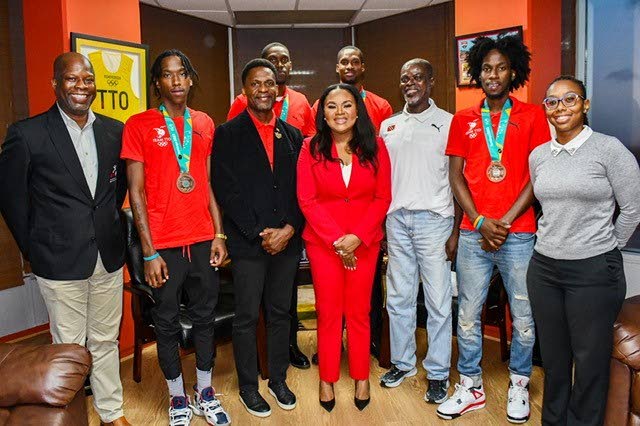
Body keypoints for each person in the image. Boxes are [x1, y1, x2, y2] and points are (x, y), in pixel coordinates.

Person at [0, 52, 130, 426]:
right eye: (71, 79)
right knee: (69, 349)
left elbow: (114, 191)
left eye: (87, 79)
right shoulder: (27, 134)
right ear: (55, 84)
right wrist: (34, 246)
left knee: (105, 340)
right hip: (57, 260)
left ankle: (111, 412)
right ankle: (74, 417)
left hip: (106, 255)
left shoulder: (113, 129)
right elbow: (10, 198)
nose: (81, 87)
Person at [437, 35, 550, 423]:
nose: (494, 74)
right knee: (467, 313)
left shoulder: (534, 116)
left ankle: (519, 380)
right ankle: (470, 384)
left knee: (523, 312)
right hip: (473, 232)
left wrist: (504, 221)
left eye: (501, 67)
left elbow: (537, 177)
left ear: (513, 70)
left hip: (519, 233)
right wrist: (482, 221)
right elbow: (455, 177)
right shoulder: (463, 119)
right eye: (486, 68)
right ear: (477, 73)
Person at [121, 50, 230, 426]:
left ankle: (205, 390)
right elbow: (136, 193)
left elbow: (206, 182)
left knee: (204, 318)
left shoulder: (204, 122)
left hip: (202, 239)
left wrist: (218, 233)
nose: (177, 81)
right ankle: (177, 397)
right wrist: (148, 252)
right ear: (158, 84)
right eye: (168, 75)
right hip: (163, 245)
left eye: (182, 73)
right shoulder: (138, 124)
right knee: (166, 322)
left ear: (190, 78)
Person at [527, 76, 640, 425]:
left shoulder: (609, 149)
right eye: (552, 101)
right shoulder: (539, 155)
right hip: (544, 269)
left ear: (585, 105)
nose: (560, 108)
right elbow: (544, 208)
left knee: (590, 364)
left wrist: (603, 248)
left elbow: (632, 209)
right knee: (555, 361)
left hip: (593, 272)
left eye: (570, 99)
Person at [212, 58, 304, 418]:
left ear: (279, 90)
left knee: (281, 314)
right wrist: (258, 233)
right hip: (248, 243)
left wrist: (289, 230)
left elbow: (303, 190)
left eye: (269, 83)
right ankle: (249, 386)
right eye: (255, 83)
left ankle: (278, 379)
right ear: (245, 89)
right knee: (247, 316)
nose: (263, 89)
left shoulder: (293, 135)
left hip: (287, 241)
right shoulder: (228, 133)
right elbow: (226, 188)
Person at [297, 83, 391, 412]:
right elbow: (306, 200)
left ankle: (362, 377)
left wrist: (357, 237)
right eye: (332, 106)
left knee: (360, 313)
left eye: (347, 105)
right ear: (322, 113)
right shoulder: (311, 147)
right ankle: (327, 378)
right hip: (325, 246)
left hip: (364, 245)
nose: (340, 112)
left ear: (357, 110)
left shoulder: (376, 146)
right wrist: (338, 240)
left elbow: (383, 198)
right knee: (328, 313)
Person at [378, 59, 461, 404]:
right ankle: (403, 363)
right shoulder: (388, 126)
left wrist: (455, 231)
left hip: (435, 221)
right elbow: (381, 180)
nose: (409, 83)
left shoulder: (449, 123)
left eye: (416, 77)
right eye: (404, 78)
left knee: (439, 301)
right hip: (396, 221)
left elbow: (459, 181)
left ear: (431, 81)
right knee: (398, 298)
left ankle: (439, 372)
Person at [228, 42, 313, 370]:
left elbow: (306, 156)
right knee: (253, 301)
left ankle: (289, 344)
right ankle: (260, 358)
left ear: (290, 66)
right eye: (271, 60)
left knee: (286, 293)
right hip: (254, 221)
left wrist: (291, 223)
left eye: (283, 59)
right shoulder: (241, 104)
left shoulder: (302, 102)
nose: (278, 65)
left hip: (288, 215)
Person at [227, 42, 315, 138]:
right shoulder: (243, 100)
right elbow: (230, 137)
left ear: (290, 66)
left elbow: (308, 141)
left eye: (284, 60)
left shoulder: (300, 101)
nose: (280, 65)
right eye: (273, 60)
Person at [312, 46, 393, 134]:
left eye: (355, 62)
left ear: (362, 67)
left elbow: (386, 142)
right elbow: (315, 142)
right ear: (337, 68)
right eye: (344, 62)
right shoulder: (321, 105)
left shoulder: (381, 106)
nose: (350, 66)